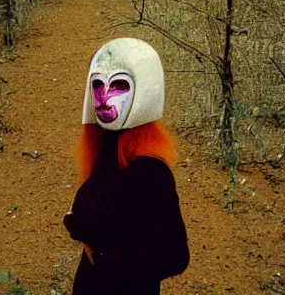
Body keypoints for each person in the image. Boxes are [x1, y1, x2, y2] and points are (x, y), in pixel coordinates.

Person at [63, 37, 190, 295]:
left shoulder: (150, 171)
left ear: (143, 91)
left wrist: (102, 252)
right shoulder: (106, 148)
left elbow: (175, 257)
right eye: (97, 84)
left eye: (119, 85)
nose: (103, 98)